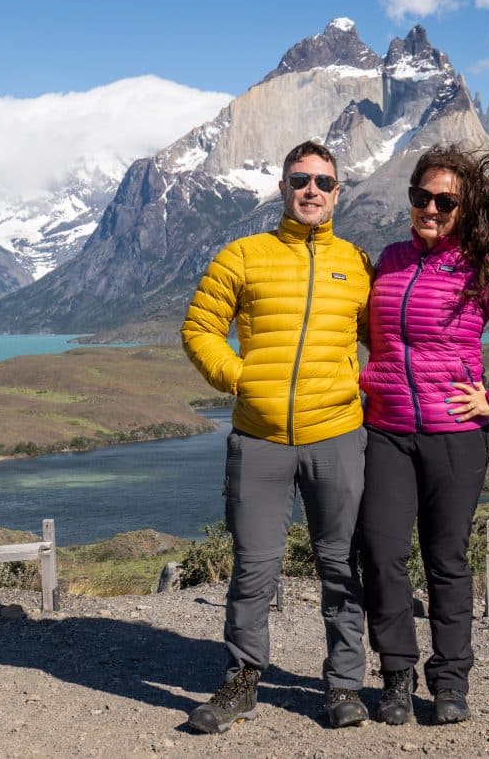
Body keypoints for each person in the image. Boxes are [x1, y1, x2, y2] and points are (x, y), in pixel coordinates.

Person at [358, 144, 489, 726]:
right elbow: (365, 333)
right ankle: (396, 676)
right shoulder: (388, 261)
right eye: (423, 196)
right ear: (411, 198)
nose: (433, 208)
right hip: (387, 431)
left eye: (447, 201)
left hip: (454, 435)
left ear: (464, 209)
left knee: (446, 559)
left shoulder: (481, 267)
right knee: (383, 552)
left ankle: (450, 681)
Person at [181, 140, 374, 733]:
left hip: (337, 434)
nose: (310, 190)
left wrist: (361, 384)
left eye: (322, 181)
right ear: (282, 189)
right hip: (259, 439)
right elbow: (199, 328)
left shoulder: (356, 264)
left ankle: (343, 685)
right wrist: (242, 379)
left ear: (337, 192)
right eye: (299, 180)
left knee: (341, 565)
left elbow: (386, 339)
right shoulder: (242, 255)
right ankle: (242, 681)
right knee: (254, 567)